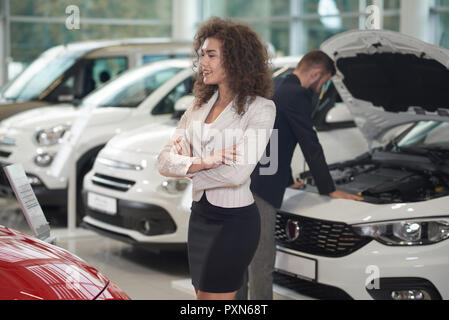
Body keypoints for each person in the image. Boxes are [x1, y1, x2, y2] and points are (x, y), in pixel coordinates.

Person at [157, 17, 275, 300]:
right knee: (203, 298)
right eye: (202, 55)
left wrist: (187, 166)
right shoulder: (197, 106)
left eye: (211, 55)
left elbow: (236, 174)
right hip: (200, 217)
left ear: (235, 59)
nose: (203, 63)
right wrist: (206, 161)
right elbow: (162, 161)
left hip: (233, 222)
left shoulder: (261, 109)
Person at [235, 51, 364, 300]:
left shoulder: (278, 85)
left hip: (245, 182)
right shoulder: (298, 95)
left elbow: (275, 138)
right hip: (261, 190)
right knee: (261, 264)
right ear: (316, 74)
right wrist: (329, 189)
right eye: (325, 81)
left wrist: (287, 179)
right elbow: (309, 143)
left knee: (241, 260)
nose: (323, 87)